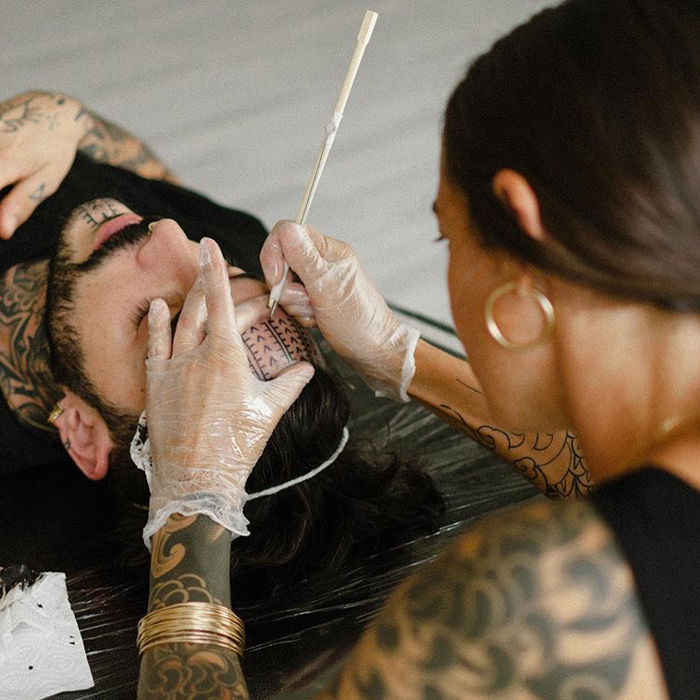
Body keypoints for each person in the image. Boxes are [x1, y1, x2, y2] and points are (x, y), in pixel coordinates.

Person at [135, 0, 699, 697]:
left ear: (521, 221)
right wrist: (397, 354)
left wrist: (192, 503)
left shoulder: (531, 608)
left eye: (448, 238)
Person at [0, 90, 443, 585]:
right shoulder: (227, 243)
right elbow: (146, 178)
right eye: (229, 273)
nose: (168, 233)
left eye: (162, 315)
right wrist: (68, 119)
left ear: (82, 432)